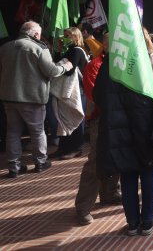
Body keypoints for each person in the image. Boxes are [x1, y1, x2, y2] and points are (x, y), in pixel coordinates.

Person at [94, 29, 153, 236]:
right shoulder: (151, 60)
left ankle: (132, 223)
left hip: (120, 129)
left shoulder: (112, 62)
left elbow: (98, 95)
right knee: (148, 171)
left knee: (128, 174)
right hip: (147, 126)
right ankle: (147, 221)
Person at [0, 21, 72, 177]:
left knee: (12, 131)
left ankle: (14, 167)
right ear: (35, 34)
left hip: (9, 97)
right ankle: (40, 162)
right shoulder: (39, 48)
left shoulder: (5, 48)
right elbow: (51, 71)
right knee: (37, 131)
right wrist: (65, 66)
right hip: (32, 98)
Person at [74, 33, 121, 226]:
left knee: (117, 155)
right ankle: (83, 206)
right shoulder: (95, 65)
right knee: (95, 161)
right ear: (106, 45)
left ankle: (109, 192)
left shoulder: (123, 64)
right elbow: (95, 95)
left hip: (118, 117)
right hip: (101, 119)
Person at [52, 27, 89, 160]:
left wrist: (61, 65)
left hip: (77, 90)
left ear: (75, 37)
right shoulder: (69, 50)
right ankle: (63, 148)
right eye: (64, 35)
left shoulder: (77, 51)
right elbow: (57, 64)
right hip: (68, 89)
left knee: (75, 117)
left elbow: (68, 71)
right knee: (64, 118)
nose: (64, 37)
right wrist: (58, 50)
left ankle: (76, 148)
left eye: (68, 35)